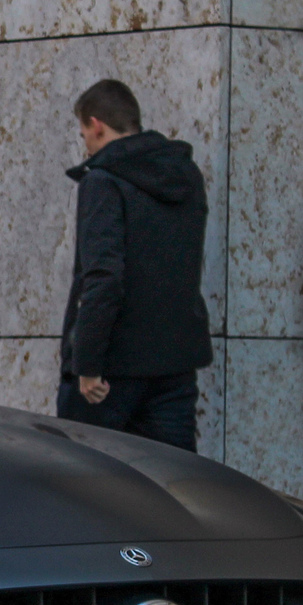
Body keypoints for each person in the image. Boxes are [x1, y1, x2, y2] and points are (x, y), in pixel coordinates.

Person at [56, 78, 212, 451]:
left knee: (87, 488)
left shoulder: (103, 182)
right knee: (172, 489)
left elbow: (104, 277)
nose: (86, 146)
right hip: (174, 366)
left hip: (109, 375)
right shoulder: (185, 176)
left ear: (96, 125)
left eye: (83, 135)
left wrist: (87, 362)